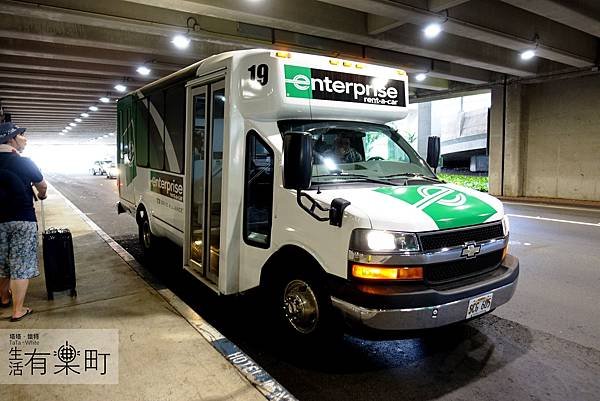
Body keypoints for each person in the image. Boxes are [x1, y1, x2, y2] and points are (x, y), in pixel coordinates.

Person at [0, 122, 47, 322]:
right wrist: (41, 194)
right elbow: (42, 186)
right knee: (21, 263)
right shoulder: (24, 161)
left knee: (2, 262)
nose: (24, 139)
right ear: (11, 139)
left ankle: (3, 298)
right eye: (21, 135)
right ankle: (18, 310)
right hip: (22, 218)